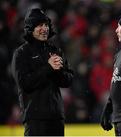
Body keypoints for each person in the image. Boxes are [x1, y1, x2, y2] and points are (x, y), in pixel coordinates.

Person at [11, 8, 74, 136]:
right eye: (40, 25)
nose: (45, 28)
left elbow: (68, 80)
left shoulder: (56, 50)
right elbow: (24, 83)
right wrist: (48, 68)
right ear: (30, 28)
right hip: (35, 118)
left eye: (46, 25)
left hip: (57, 117)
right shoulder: (21, 53)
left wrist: (59, 71)